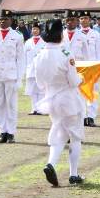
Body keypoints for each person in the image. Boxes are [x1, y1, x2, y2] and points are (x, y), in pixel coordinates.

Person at [34, 19, 85, 187]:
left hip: (51, 99)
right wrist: (82, 78)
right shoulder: (65, 53)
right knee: (75, 136)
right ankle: (73, 174)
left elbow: (40, 83)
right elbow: (73, 81)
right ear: (60, 35)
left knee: (59, 133)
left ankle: (51, 164)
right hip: (68, 98)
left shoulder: (40, 55)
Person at [0, 10, 24, 143]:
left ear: (11, 20)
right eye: (1, 18)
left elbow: (20, 59)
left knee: (11, 104)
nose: (2, 21)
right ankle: (2, 131)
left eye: (6, 19)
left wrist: (19, 78)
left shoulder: (17, 36)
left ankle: (11, 132)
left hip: (11, 73)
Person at [79, 11, 100, 127]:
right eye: (82, 18)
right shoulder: (77, 34)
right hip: (80, 68)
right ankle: (83, 117)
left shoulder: (95, 34)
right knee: (80, 93)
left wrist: (99, 67)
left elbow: (99, 52)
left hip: (93, 67)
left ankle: (91, 117)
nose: (84, 20)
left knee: (92, 93)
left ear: (90, 20)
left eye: (86, 18)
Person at [24, 22, 46, 115]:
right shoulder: (28, 42)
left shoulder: (44, 42)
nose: (35, 31)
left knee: (41, 90)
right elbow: (24, 56)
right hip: (30, 69)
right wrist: (25, 68)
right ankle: (34, 109)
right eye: (33, 29)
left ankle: (41, 109)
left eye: (36, 29)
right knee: (32, 90)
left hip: (41, 68)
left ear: (40, 30)